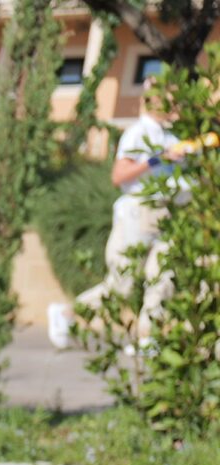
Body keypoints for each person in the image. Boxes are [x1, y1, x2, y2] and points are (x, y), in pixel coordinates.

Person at [53, 67, 194, 349]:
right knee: (123, 284)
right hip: (137, 213)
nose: (176, 105)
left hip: (167, 214)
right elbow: (119, 176)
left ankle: (148, 338)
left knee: (162, 278)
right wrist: (157, 159)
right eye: (171, 99)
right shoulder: (137, 134)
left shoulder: (171, 137)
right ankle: (66, 313)